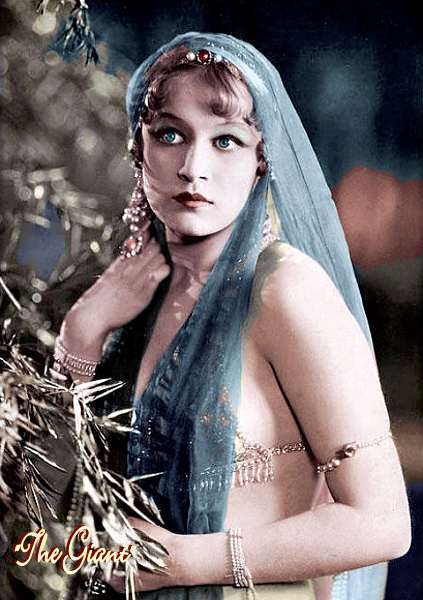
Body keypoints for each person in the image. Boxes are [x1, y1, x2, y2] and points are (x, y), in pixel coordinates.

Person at [52, 33, 410, 599]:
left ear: (261, 159)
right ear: (138, 149)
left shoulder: (288, 292)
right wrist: (83, 330)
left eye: (226, 141)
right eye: (170, 135)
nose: (193, 168)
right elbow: (52, 501)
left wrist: (187, 562)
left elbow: (384, 522)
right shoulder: (126, 294)